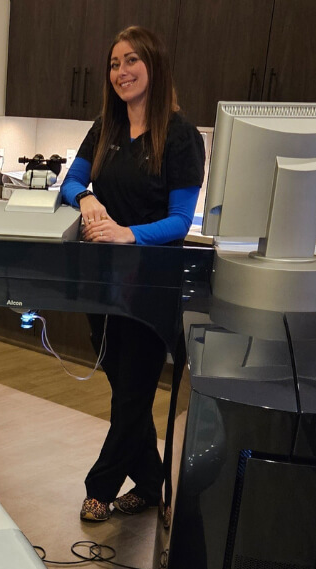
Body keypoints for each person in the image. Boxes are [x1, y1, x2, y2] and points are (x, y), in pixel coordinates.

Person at [60, 26, 205, 522]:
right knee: (124, 388)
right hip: (103, 281)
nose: (120, 72)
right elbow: (71, 180)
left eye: (131, 61)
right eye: (114, 63)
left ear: (154, 66)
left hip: (151, 284)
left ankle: (99, 487)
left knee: (135, 390)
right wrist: (85, 196)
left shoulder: (181, 137)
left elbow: (180, 221)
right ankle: (149, 484)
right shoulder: (107, 126)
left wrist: (129, 234)